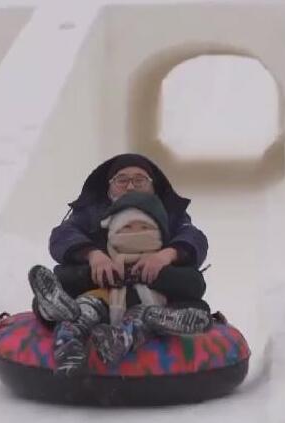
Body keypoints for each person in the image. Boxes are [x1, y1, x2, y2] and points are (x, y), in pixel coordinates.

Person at [28, 154, 211, 376]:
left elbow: (193, 237)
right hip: (101, 281)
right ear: (109, 188)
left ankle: (160, 317)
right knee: (64, 279)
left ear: (153, 187)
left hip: (152, 281)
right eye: (122, 180)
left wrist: (167, 255)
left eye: (139, 180)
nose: (130, 186)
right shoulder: (91, 212)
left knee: (194, 287)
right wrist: (93, 255)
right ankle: (58, 310)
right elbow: (63, 235)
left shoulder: (170, 212)